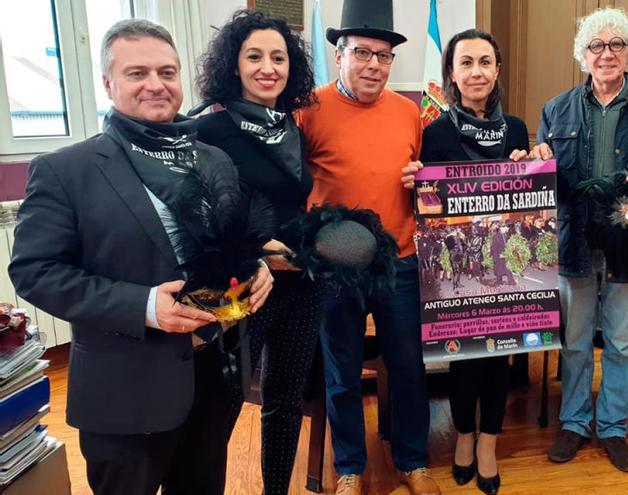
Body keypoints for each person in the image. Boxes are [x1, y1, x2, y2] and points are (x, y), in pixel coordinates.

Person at [7, 19, 272, 495]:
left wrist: (259, 267)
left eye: (167, 72)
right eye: (137, 73)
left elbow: (233, 240)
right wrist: (144, 307)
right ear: (108, 84)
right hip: (125, 393)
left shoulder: (213, 159)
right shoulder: (66, 170)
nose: (156, 84)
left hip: (216, 376)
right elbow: (35, 271)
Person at [296, 1, 440, 494]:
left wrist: (423, 181)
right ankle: (351, 468)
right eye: (362, 53)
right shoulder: (308, 109)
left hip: (399, 261)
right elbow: (288, 185)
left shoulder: (409, 112)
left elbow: (422, 183)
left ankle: (413, 461)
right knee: (342, 369)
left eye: (383, 56)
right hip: (336, 269)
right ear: (339, 55)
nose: (374, 65)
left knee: (408, 367)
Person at [529, 7, 628, 473]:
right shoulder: (555, 110)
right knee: (574, 342)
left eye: (616, 44)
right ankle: (574, 423)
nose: (606, 54)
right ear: (583, 55)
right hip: (574, 243)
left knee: (620, 341)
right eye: (597, 45)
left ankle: (613, 427)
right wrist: (535, 160)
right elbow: (540, 185)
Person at [193, 10, 320, 494]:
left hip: (301, 284)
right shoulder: (209, 132)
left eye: (278, 57)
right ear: (234, 64)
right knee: (220, 403)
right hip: (240, 286)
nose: (268, 67)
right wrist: (256, 248)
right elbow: (198, 220)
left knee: (285, 401)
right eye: (255, 56)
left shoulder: (292, 128)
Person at [416, 28, 530, 495]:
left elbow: (530, 192)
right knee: (464, 360)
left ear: (497, 70)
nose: (477, 71)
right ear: (452, 73)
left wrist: (535, 161)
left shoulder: (518, 128)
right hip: (458, 269)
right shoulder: (435, 133)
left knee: (500, 359)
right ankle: (463, 435)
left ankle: (489, 443)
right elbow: (424, 203)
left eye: (485, 61)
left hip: (508, 265)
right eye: (467, 63)